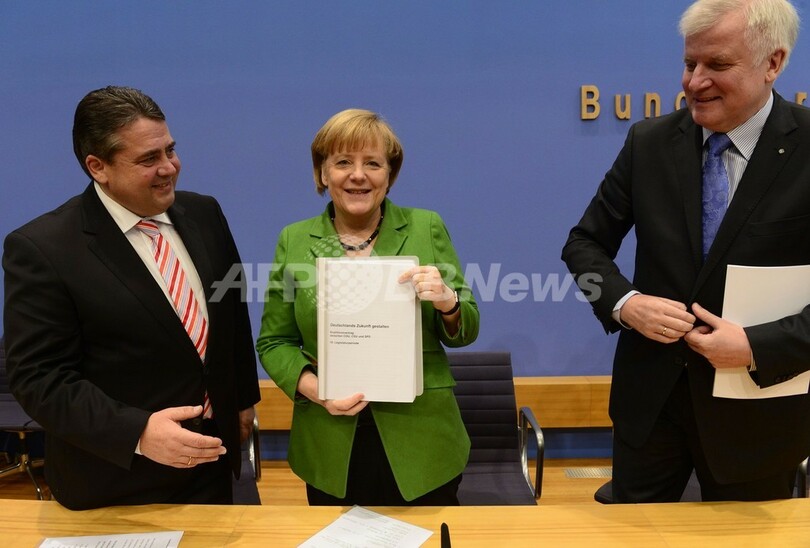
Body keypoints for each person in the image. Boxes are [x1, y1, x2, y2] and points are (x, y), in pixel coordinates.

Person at [562, 0, 810, 503]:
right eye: (689, 63)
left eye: (717, 65)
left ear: (774, 63)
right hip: (650, 412)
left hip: (758, 415)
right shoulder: (648, 142)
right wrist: (623, 303)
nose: (695, 82)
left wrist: (759, 347)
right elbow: (582, 246)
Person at [2, 86, 260, 510]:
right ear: (97, 167)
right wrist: (136, 432)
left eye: (170, 150)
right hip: (116, 480)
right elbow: (40, 380)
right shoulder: (43, 248)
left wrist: (243, 400)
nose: (169, 168)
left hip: (214, 470)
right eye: (148, 159)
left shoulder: (205, 213)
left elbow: (232, 313)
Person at [256, 109, 479, 505]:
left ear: (389, 176)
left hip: (423, 441)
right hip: (330, 440)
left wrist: (448, 301)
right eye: (343, 162)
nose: (358, 175)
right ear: (323, 173)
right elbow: (274, 343)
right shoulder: (293, 240)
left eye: (372, 163)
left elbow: (466, 331)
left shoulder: (426, 226)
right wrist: (317, 390)